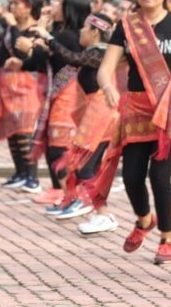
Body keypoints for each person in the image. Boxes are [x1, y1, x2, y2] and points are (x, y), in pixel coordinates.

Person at [97, 0, 171, 264]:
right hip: (137, 109)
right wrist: (108, 87)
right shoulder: (126, 26)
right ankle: (144, 220)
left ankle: (167, 239)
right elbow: (106, 68)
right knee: (131, 176)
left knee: (159, 176)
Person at [30, 13, 121, 230]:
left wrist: (48, 38)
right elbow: (69, 62)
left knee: (85, 167)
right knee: (86, 167)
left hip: (103, 119)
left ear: (95, 32)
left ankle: (102, 214)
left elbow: (71, 58)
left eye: (85, 27)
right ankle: (85, 204)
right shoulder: (93, 52)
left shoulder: (100, 53)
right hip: (97, 117)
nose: (81, 31)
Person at [14, 0, 89, 197]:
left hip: (68, 95)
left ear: (68, 8)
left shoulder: (68, 36)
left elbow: (50, 58)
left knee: (59, 148)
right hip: (59, 94)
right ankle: (60, 193)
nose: (52, 4)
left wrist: (33, 46)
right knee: (53, 147)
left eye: (57, 1)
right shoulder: (60, 33)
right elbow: (39, 59)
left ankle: (70, 195)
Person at [0, 0, 45, 192]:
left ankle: (32, 177)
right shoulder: (8, 30)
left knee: (24, 131)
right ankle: (20, 173)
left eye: (16, 4)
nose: (12, 7)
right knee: (12, 132)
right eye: (12, 3)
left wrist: (14, 26)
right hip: (6, 87)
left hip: (27, 85)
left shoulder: (35, 30)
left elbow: (21, 54)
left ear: (28, 8)